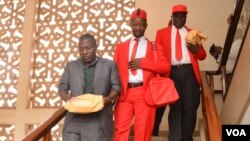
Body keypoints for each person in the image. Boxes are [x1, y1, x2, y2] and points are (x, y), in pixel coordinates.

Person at [113, 8, 170, 141]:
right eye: (135, 24)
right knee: (120, 131)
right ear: (130, 24)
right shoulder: (120, 47)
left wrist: (143, 63)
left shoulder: (154, 46)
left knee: (143, 133)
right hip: (124, 94)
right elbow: (114, 71)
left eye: (141, 24)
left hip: (145, 94)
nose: (138, 27)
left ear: (146, 25)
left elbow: (165, 67)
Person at [154, 4, 207, 141]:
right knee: (176, 107)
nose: (179, 19)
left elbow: (202, 55)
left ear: (185, 17)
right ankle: (175, 138)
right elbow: (158, 56)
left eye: (182, 16)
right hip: (171, 73)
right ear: (172, 17)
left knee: (190, 106)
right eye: (176, 16)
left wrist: (196, 49)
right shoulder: (161, 33)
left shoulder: (193, 32)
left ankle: (186, 138)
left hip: (189, 72)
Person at [58, 33, 120, 141]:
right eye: (81, 49)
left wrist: (107, 99)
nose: (84, 52)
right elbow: (62, 87)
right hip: (74, 118)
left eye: (88, 48)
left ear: (95, 46)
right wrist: (67, 99)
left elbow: (117, 87)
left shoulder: (109, 65)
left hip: (97, 118)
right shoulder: (71, 66)